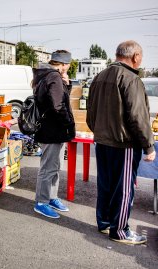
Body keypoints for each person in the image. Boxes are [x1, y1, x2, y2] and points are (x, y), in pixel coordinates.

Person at [87, 40, 155, 245]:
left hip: (103, 141)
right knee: (124, 188)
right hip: (123, 143)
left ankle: (106, 222)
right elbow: (138, 117)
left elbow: (91, 114)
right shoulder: (131, 79)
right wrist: (148, 146)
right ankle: (120, 231)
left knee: (106, 184)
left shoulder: (99, 77)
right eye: (141, 57)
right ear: (135, 57)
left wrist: (100, 132)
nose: (141, 61)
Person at [33, 50, 75, 219]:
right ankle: (41, 202)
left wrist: (67, 85)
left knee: (54, 166)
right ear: (64, 65)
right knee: (48, 167)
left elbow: (57, 98)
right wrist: (69, 123)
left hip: (49, 128)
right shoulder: (53, 77)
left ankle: (51, 197)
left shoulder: (45, 75)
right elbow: (58, 106)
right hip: (52, 129)